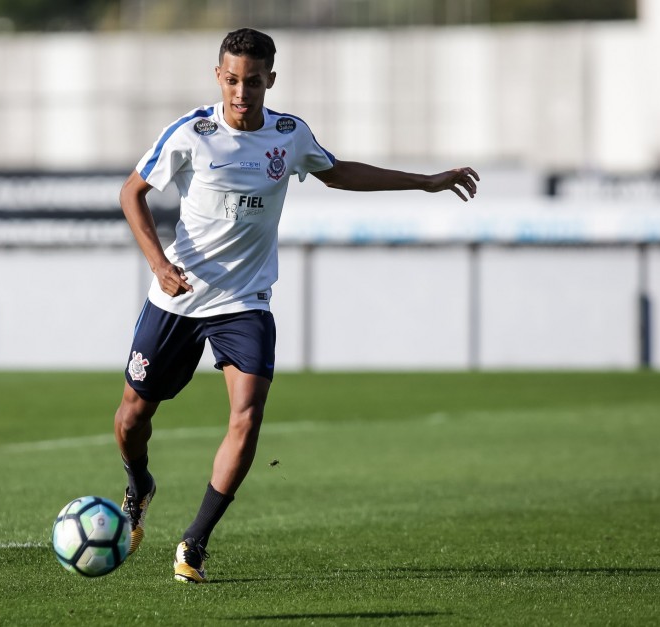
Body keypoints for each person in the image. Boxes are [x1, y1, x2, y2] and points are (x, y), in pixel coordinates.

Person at [114, 27, 479, 584]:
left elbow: (338, 172)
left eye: (253, 82)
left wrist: (425, 182)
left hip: (245, 301)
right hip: (178, 297)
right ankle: (139, 482)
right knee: (130, 421)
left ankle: (195, 541)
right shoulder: (191, 133)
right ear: (219, 77)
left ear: (270, 81)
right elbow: (131, 193)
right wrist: (159, 265)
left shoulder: (288, 134)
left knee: (248, 416)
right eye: (232, 80)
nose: (241, 92)